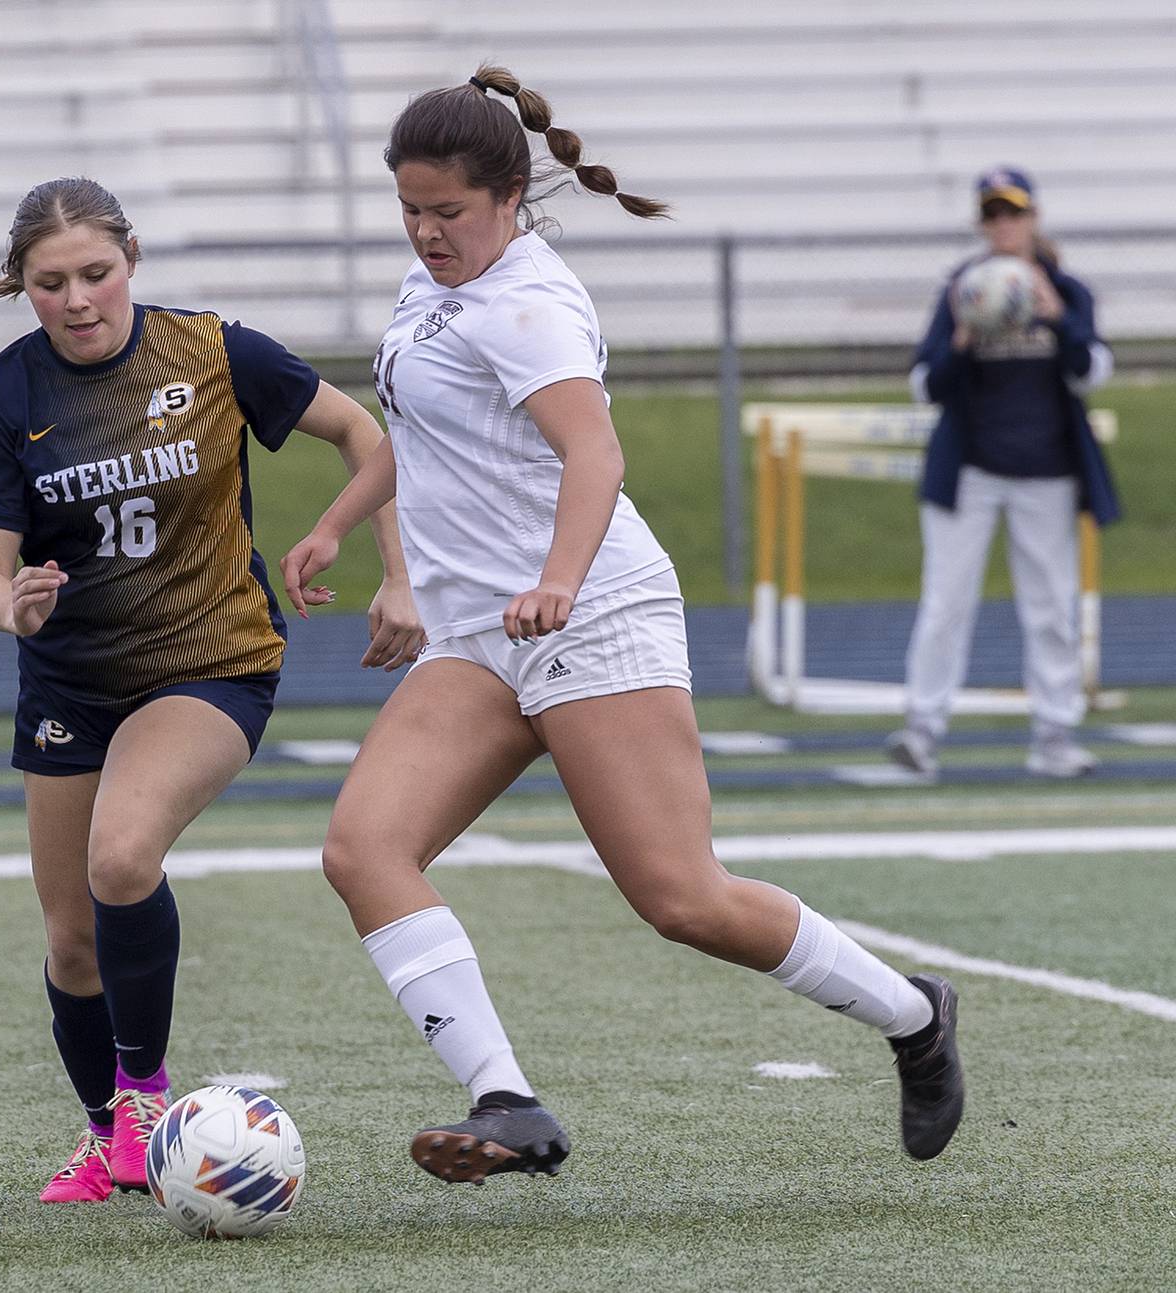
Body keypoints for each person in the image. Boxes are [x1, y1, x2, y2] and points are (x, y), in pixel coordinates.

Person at [280, 65, 964, 1185]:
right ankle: (506, 1102)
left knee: (683, 901)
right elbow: (422, 426)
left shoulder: (530, 304)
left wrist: (557, 578)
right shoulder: (432, 285)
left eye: (447, 212)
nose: (425, 231)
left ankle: (913, 1016)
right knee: (363, 850)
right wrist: (342, 523)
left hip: (591, 614)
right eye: (408, 208)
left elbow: (595, 453)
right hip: (485, 633)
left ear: (509, 197)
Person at [0, 177, 422, 1204]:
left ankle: (148, 1096)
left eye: (95, 274)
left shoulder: (214, 351)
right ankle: (109, 1138)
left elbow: (371, 436)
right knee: (72, 942)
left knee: (123, 858)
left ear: (132, 260)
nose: (76, 300)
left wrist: (393, 568)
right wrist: (10, 610)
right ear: (21, 288)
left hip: (212, 662)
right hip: (71, 678)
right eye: (49, 283)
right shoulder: (11, 392)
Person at [887, 167, 1120, 779]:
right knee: (946, 603)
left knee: (1049, 608)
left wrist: (1055, 314)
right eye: (992, 215)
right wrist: (962, 339)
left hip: (1046, 471)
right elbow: (923, 384)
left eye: (1013, 213)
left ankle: (1053, 735)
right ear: (981, 224)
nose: (1004, 225)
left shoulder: (1067, 287)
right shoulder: (961, 287)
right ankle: (922, 730)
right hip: (969, 472)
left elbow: (1092, 370)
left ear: (1033, 218)